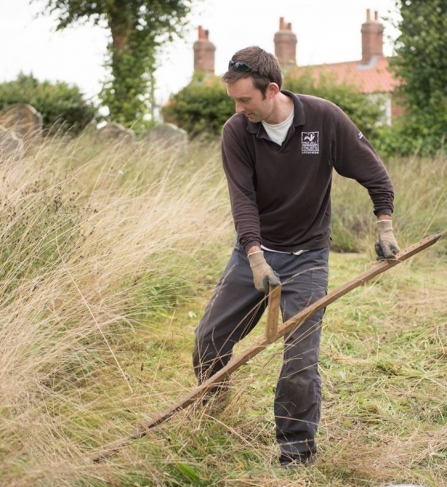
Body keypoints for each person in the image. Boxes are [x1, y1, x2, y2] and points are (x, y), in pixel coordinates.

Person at [192, 46, 399, 468]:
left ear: (272, 89)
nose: (238, 108)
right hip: (255, 252)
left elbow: (374, 174)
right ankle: (213, 407)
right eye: (234, 99)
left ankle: (296, 453)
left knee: (299, 361)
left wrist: (385, 227)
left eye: (245, 99)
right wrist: (253, 255)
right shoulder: (237, 132)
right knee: (208, 343)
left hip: (307, 258)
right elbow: (243, 202)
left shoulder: (323, 119)